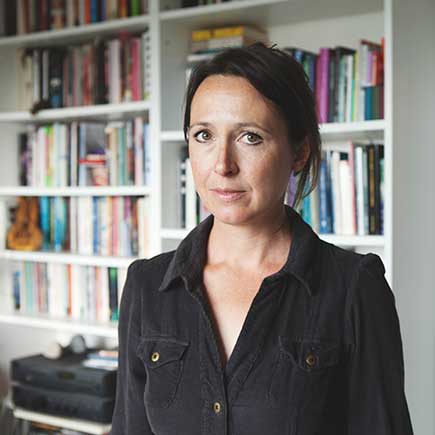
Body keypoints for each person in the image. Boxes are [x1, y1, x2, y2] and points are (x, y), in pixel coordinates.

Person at [110, 42, 414, 435]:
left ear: (299, 152)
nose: (223, 165)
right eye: (203, 135)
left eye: (250, 137)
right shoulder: (146, 285)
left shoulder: (354, 288)